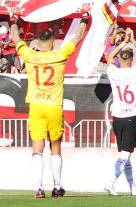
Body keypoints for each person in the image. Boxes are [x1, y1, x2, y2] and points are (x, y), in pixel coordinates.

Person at [9, 12, 88, 198]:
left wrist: (13, 19)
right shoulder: (59, 55)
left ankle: (38, 188)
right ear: (53, 42)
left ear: (37, 43)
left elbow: (15, 36)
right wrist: (84, 17)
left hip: (36, 106)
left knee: (37, 148)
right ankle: (57, 186)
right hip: (53, 106)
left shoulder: (29, 55)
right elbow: (78, 36)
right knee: (55, 147)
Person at [104, 28, 136, 196]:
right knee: (126, 153)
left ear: (119, 59)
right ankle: (110, 182)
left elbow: (109, 58)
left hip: (117, 117)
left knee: (125, 153)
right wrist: (134, 42)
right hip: (131, 116)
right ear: (131, 60)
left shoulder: (113, 71)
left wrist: (123, 42)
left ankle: (132, 186)